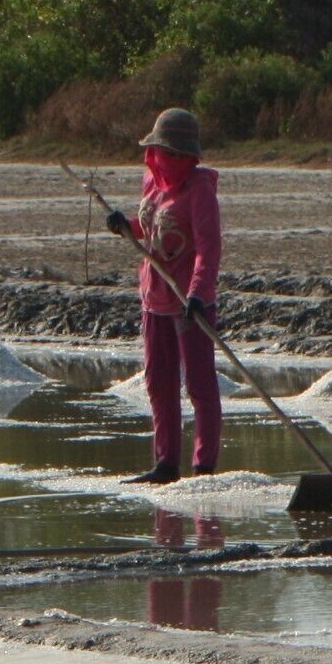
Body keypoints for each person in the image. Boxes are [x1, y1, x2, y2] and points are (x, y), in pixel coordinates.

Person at [105, 108, 222, 485]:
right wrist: (126, 227)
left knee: (200, 386)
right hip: (154, 298)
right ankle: (166, 464)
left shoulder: (200, 190)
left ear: (189, 157)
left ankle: (203, 468)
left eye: (174, 154)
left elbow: (208, 248)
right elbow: (152, 226)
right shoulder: (151, 184)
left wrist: (198, 293)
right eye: (162, 152)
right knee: (159, 382)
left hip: (190, 304)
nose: (166, 160)